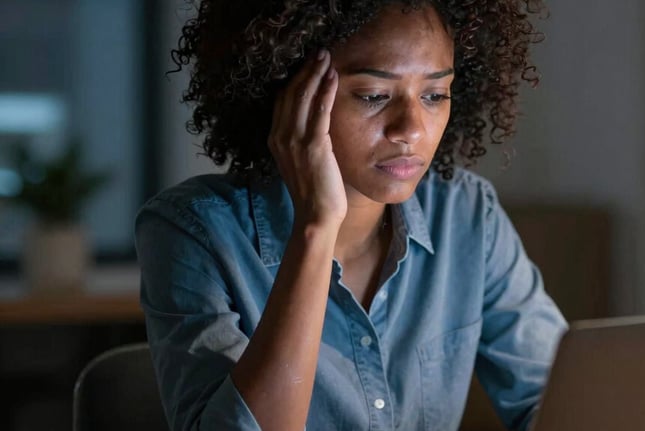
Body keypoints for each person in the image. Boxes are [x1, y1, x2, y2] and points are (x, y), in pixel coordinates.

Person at [135, 1, 567, 430]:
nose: (411, 128)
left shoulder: (467, 216)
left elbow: (559, 400)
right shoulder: (190, 231)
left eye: (434, 95)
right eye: (374, 96)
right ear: (289, 97)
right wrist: (316, 227)